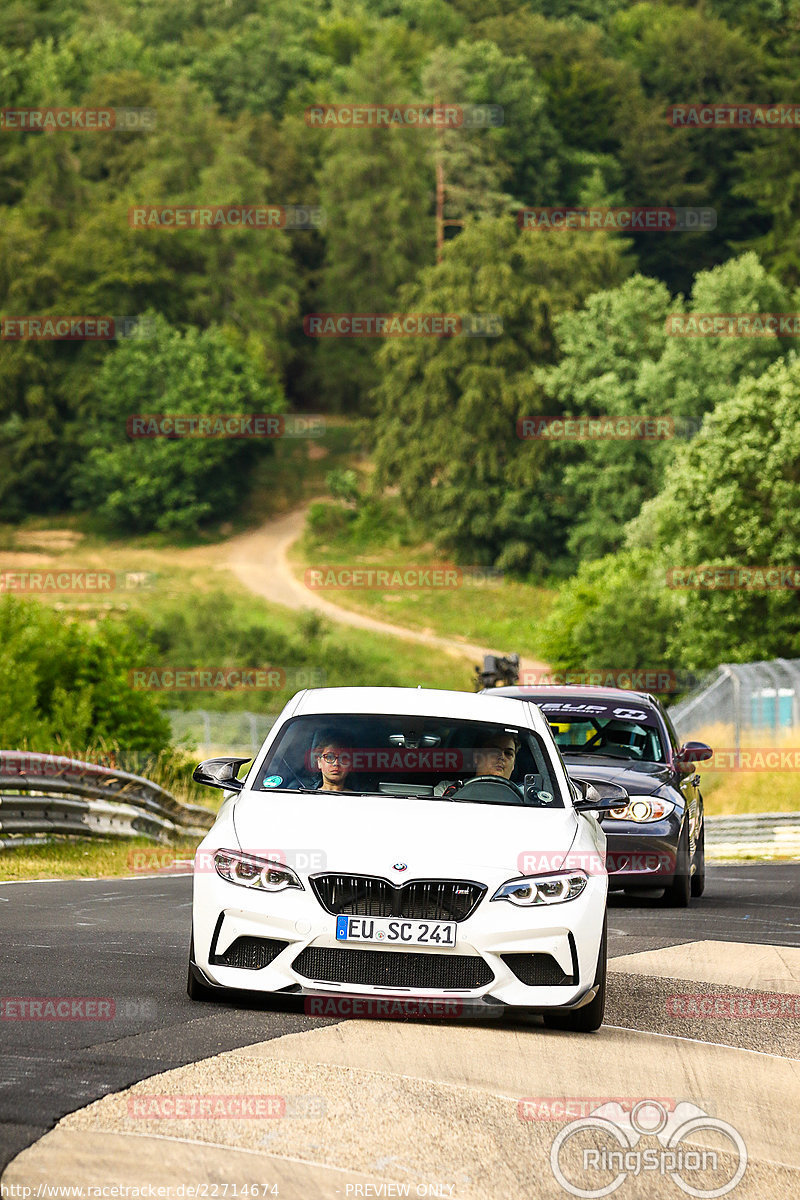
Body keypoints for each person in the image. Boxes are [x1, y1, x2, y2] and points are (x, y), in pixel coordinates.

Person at [434, 730, 521, 795]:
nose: (501, 757)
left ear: (513, 765)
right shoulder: (447, 789)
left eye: (508, 753)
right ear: (477, 757)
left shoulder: (524, 797)